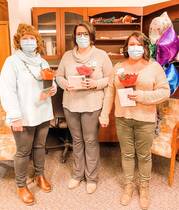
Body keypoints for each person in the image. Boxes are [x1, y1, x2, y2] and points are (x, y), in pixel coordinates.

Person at [99, 32, 170, 210]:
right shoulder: (118, 68)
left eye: (139, 45)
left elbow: (164, 91)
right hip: (123, 118)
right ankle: (129, 185)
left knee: (144, 155)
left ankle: (144, 188)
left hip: (145, 119)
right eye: (131, 44)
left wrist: (142, 96)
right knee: (127, 154)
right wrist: (105, 113)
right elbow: (110, 91)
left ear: (145, 48)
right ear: (126, 47)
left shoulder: (154, 67)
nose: (135, 48)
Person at [0, 23, 57, 205]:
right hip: (23, 115)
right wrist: (15, 116)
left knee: (40, 147)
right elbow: (7, 90)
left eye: (32, 38)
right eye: (25, 39)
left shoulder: (42, 61)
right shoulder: (12, 62)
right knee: (23, 151)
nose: (29, 42)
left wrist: (53, 89)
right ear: (19, 41)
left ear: (37, 41)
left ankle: (40, 175)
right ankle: (21, 185)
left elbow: (49, 82)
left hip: (42, 111)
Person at [56, 21, 113, 194]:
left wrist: (95, 83)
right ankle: (77, 174)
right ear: (74, 36)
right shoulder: (67, 56)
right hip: (71, 105)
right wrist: (65, 83)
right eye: (79, 34)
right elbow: (58, 75)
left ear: (91, 36)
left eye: (85, 34)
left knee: (90, 141)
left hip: (92, 105)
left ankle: (92, 177)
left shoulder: (101, 55)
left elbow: (110, 79)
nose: (82, 37)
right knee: (77, 141)